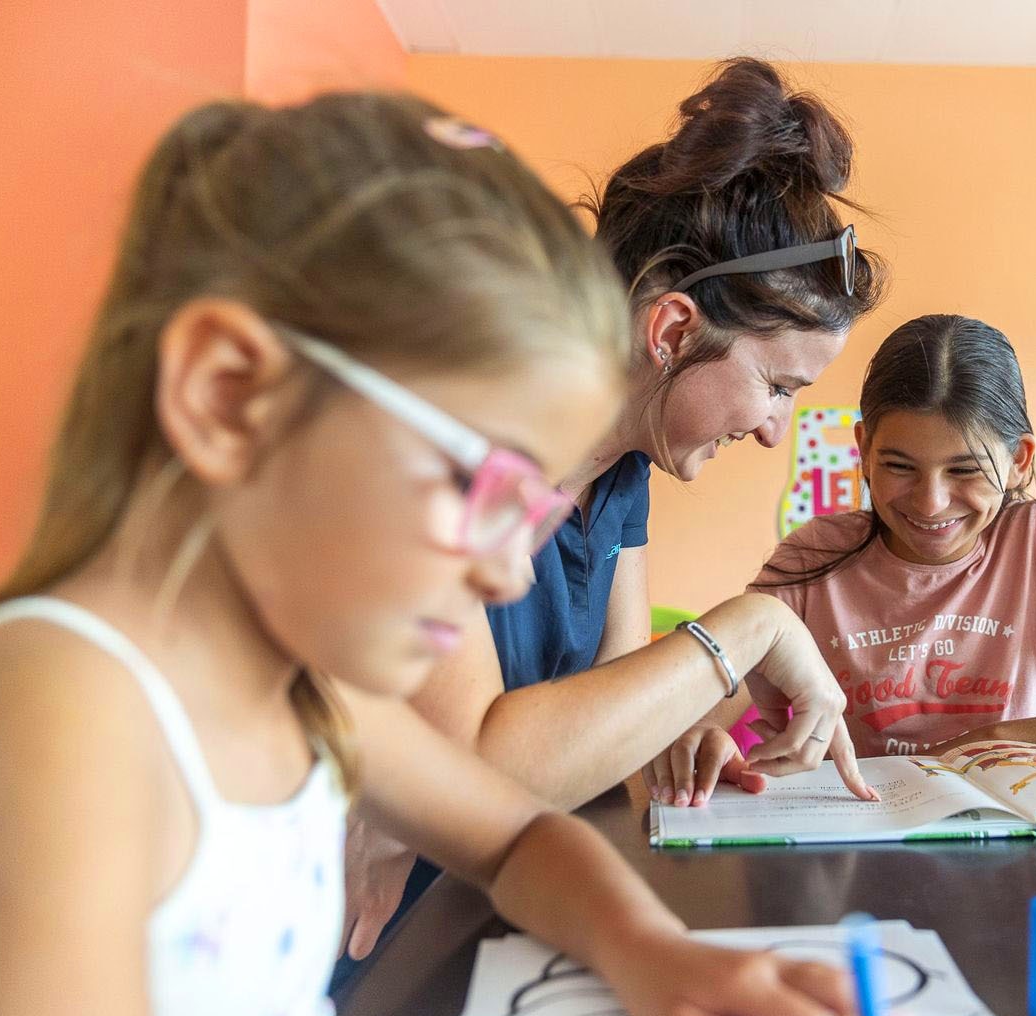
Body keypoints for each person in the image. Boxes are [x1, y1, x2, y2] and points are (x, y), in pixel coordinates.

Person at [0, 92, 866, 1016]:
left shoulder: (311, 694)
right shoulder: (67, 708)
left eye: (535, 507)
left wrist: (651, 951)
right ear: (230, 396)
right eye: (488, 489)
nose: (513, 573)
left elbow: (519, 838)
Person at [339, 57, 886, 963]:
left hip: (521, 910)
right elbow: (478, 769)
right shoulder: (462, 442)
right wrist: (747, 630)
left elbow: (606, 711)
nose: (771, 433)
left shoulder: (626, 473)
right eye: (778, 387)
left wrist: (680, 734)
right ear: (672, 330)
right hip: (377, 937)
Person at [647, 314, 1036, 800]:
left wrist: (994, 739)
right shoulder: (813, 556)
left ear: (1019, 461)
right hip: (867, 829)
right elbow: (701, 705)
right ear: (863, 450)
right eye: (899, 466)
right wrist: (701, 735)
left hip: (1010, 830)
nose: (931, 502)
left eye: (963, 470)